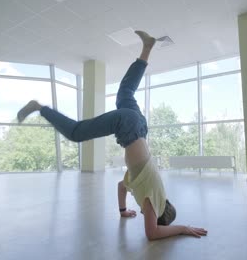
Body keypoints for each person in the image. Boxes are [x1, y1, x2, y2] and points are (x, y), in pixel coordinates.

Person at [17, 31, 207, 240]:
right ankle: (39, 107)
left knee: (125, 92)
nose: (146, 216)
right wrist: (182, 229)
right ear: (158, 213)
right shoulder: (154, 200)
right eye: (150, 217)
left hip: (139, 125)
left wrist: (122, 211)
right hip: (129, 125)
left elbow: (121, 188)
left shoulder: (140, 184)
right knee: (76, 132)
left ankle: (147, 47)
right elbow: (152, 234)